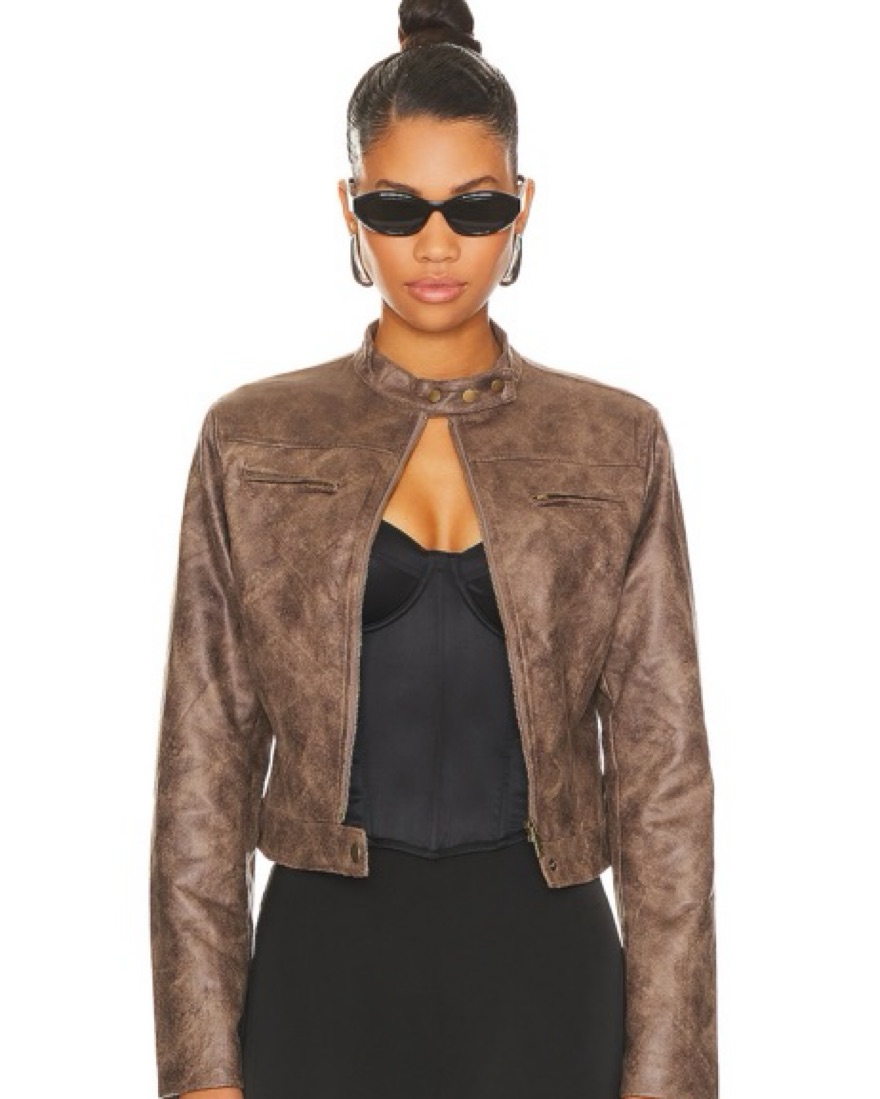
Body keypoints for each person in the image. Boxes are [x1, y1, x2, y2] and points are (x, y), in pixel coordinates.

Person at [148, 2, 718, 1098]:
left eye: (477, 205)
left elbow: (666, 789)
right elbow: (201, 773)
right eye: (397, 206)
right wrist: (201, 1066)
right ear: (350, 207)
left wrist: (670, 1073)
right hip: (322, 980)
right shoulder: (254, 439)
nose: (438, 244)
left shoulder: (615, 442)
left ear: (523, 206)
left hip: (547, 981)